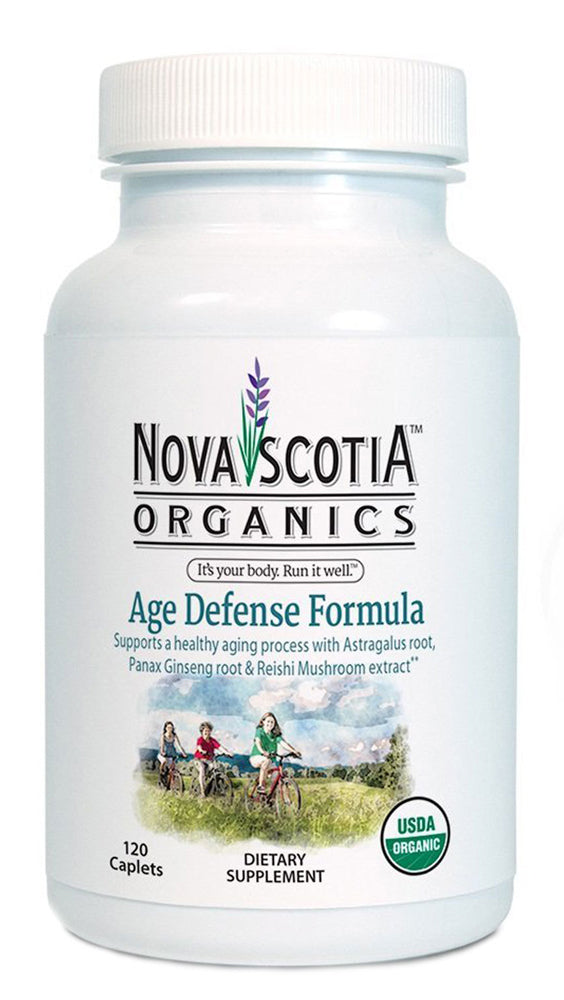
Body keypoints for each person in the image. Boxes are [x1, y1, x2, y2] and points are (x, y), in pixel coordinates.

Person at [250, 712, 301, 794]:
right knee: (266, 761)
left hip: (270, 760)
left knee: (276, 775)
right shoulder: (259, 731)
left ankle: (271, 797)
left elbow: (283, 743)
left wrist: (294, 751)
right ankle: (261, 786)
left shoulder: (275, 735)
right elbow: (258, 741)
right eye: (268, 721)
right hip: (256, 757)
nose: (270, 724)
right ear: (263, 722)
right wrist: (263, 751)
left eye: (272, 722)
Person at [194, 721, 233, 797]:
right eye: (205, 731)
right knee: (202, 769)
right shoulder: (200, 739)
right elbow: (199, 747)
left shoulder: (212, 740)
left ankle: (213, 788)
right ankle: (202, 792)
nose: (207, 733)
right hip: (199, 759)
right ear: (202, 731)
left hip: (209, 760)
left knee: (215, 768)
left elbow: (220, 747)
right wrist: (202, 751)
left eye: (209, 731)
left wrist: (227, 753)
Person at [158, 721, 187, 786]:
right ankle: (161, 773)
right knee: (164, 761)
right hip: (164, 753)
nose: (170, 729)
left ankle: (170, 783)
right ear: (165, 728)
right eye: (168, 727)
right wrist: (162, 752)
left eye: (171, 727)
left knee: (172, 769)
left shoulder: (174, 735)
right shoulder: (163, 736)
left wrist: (183, 753)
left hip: (172, 753)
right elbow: (162, 745)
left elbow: (179, 745)